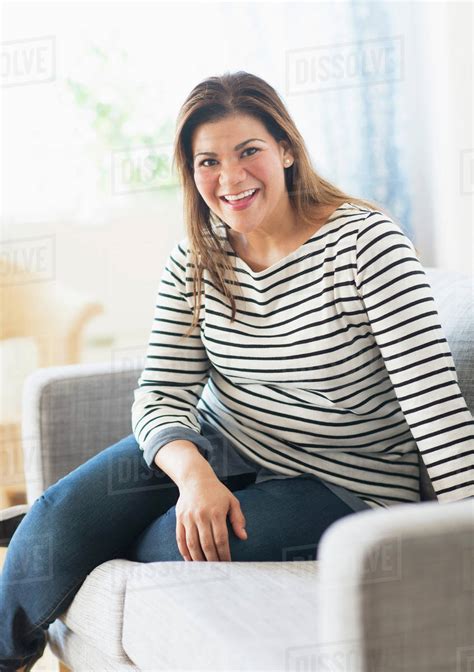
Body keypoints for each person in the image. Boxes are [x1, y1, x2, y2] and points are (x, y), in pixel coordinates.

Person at [1, 70, 473, 672]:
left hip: (345, 483)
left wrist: (462, 540)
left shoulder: (366, 245)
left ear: (287, 149)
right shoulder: (198, 257)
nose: (230, 178)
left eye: (249, 151)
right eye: (208, 161)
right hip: (224, 446)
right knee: (52, 523)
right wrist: (194, 475)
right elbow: (161, 394)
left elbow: (435, 406)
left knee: (156, 543)